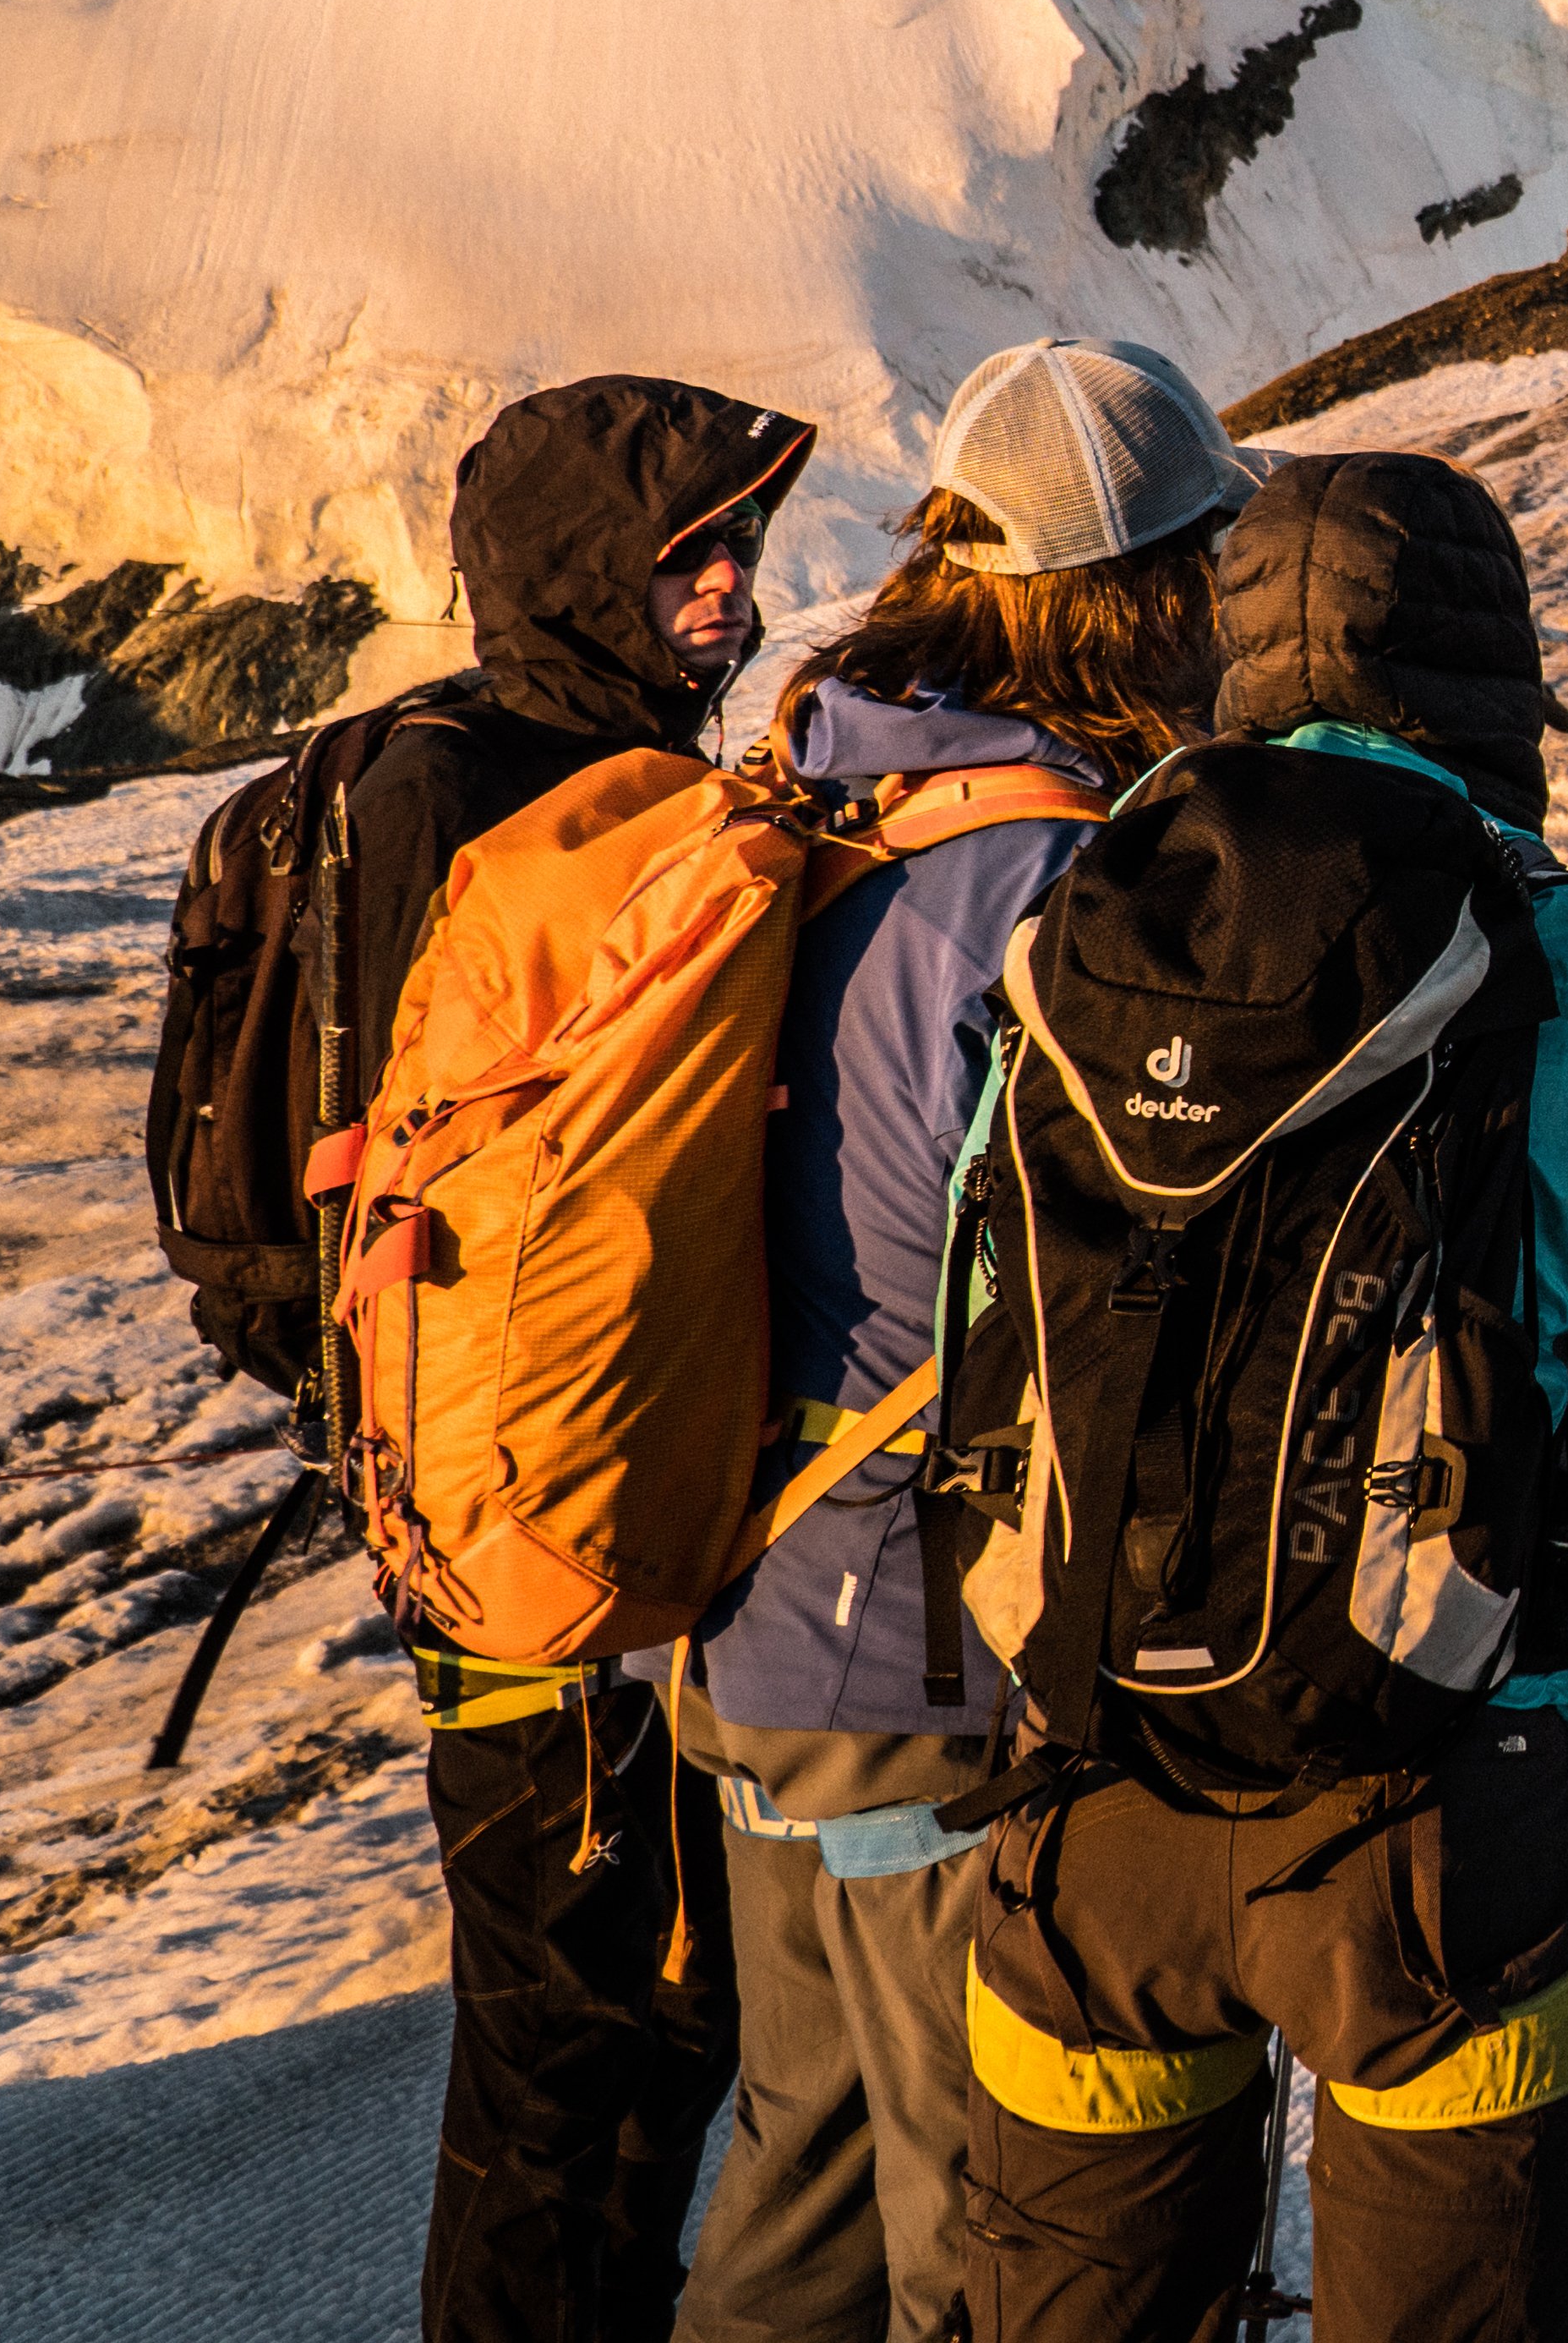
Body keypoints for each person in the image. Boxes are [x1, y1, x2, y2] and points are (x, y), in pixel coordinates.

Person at [956, 447, 1568, 2343]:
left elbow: (982, 1304)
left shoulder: (1084, 931)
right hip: (1443, 1809)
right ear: (1498, 691)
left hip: (1094, 1801)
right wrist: (1520, 1616)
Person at [668, 338, 1257, 2343]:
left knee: (799, 2195)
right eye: (1204, 570)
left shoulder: (827, 778)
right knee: (982, 2249)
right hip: (921, 1640)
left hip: (757, 1612)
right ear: (1138, 588)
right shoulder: (1054, 877)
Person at [353, 373, 815, 2343]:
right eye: (685, 557)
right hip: (520, 1508)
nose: (730, 591)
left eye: (738, 552)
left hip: (591, 1483)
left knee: (654, 2003)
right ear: (580, 576)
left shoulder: (569, 766)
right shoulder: (487, 799)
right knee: (565, 2028)